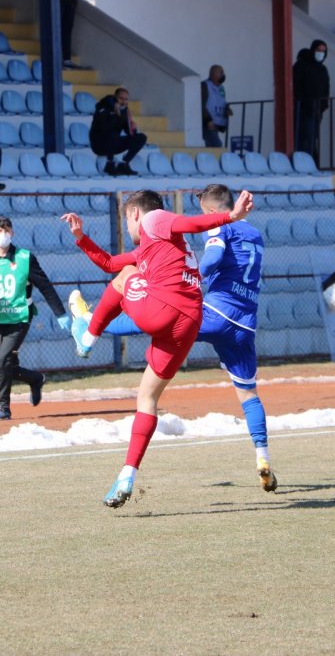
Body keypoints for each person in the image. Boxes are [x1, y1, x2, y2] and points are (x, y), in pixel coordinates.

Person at [64, 184, 277, 494]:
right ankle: (127, 475)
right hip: (220, 322)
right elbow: (109, 262)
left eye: (127, 219)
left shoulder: (155, 219)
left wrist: (229, 217)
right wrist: (81, 237)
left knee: (126, 281)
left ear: (135, 213)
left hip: (201, 311)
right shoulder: (158, 248)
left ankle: (88, 333)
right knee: (149, 397)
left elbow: (191, 227)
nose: (128, 226)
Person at [0, 216, 69, 421]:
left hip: (19, 318)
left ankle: (3, 408)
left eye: (6, 230)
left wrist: (60, 313)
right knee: (7, 366)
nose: (2, 234)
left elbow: (45, 286)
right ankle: (35, 379)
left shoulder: (24, 258)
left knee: (2, 362)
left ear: (12, 233)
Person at [89, 87, 148, 176]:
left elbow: (129, 133)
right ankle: (110, 164)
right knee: (111, 134)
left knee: (141, 137)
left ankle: (124, 163)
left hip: (114, 143)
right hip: (99, 144)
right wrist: (115, 112)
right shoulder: (103, 108)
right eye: (121, 98)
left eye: (126, 99)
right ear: (115, 98)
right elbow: (103, 128)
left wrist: (133, 128)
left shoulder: (124, 111)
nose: (123, 102)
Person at [293, 40, 330, 162]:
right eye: (318, 50)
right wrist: (303, 101)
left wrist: (323, 105)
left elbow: (326, 88)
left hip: (317, 111)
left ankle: (312, 163)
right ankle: (304, 164)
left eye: (323, 51)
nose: (321, 53)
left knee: (313, 139)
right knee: (305, 139)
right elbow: (295, 86)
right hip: (303, 109)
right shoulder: (301, 66)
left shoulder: (322, 69)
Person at [200, 65, 232, 148]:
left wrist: (227, 109)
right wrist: (208, 120)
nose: (223, 75)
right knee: (217, 146)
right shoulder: (205, 85)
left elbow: (221, 102)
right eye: (220, 72)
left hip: (217, 124)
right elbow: (200, 104)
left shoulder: (221, 88)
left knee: (211, 147)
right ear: (213, 73)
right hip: (208, 124)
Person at [60, 0, 86, 70]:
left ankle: (66, 59)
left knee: (67, 30)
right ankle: (60, 59)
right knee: (57, 30)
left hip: (70, 0)